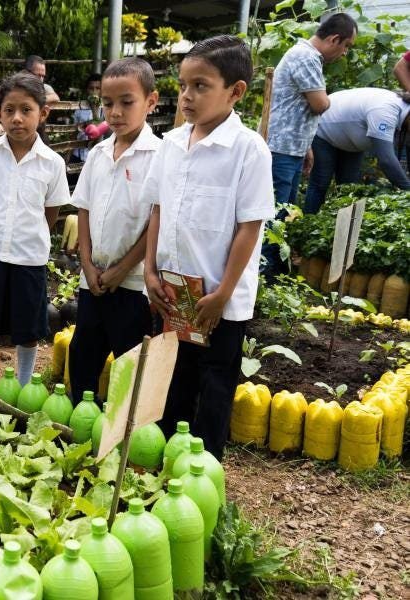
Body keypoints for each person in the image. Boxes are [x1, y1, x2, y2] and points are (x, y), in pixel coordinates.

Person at [142, 35, 274, 460]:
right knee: (173, 379)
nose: (186, 96)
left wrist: (222, 295)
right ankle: (166, 463)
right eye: (183, 85)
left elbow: (248, 229)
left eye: (200, 86)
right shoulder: (171, 145)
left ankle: (204, 470)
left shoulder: (248, 150)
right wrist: (149, 271)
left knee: (214, 386)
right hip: (175, 291)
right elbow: (158, 211)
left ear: (235, 92)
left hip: (217, 299)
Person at [0, 72, 70, 385]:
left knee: (28, 329)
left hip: (29, 258)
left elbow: (51, 213)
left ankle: (24, 385)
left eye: (26, 110)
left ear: (43, 113)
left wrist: (28, 235)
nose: (17, 118)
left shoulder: (52, 163)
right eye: (9, 110)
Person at [66, 58, 159, 403]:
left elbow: (155, 223)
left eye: (126, 102)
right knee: (83, 356)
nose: (115, 112)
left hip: (132, 284)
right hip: (94, 281)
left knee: (129, 363)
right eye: (107, 104)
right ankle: (81, 425)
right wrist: (87, 264)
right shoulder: (98, 153)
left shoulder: (159, 156)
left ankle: (125, 436)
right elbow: (84, 209)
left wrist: (122, 269)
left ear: (151, 101)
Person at [266, 13, 357, 207]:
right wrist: (327, 101)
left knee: (285, 213)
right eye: (346, 46)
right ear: (334, 39)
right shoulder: (306, 57)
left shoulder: (308, 56)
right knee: (275, 216)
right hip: (280, 149)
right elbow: (320, 104)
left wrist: (305, 147)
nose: (344, 52)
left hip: (290, 147)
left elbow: (298, 107)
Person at [303, 88, 410, 213]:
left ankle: (339, 228)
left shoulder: (403, 113)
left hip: (349, 135)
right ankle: (309, 221)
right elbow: (386, 160)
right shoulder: (385, 112)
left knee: (348, 188)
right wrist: (407, 190)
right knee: (320, 183)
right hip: (325, 127)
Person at [72, 73, 104, 163]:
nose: (94, 92)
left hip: (97, 158)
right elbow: (74, 134)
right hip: (78, 155)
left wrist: (95, 109)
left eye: (98, 88)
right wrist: (68, 154)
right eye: (91, 88)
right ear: (87, 90)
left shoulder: (106, 109)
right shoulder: (79, 109)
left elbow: (98, 133)